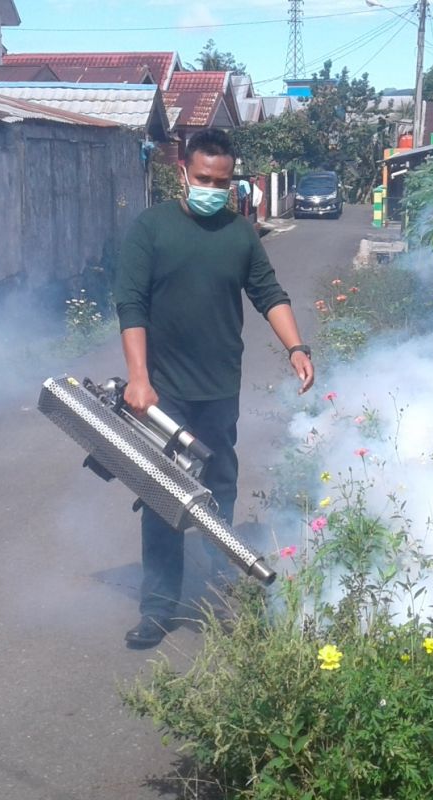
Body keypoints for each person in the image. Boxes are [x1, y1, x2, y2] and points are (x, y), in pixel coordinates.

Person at [114, 128, 314, 648]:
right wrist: (138, 378)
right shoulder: (151, 229)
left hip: (220, 388)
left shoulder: (240, 234)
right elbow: (131, 306)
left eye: (222, 182)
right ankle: (158, 608)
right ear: (182, 172)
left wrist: (297, 348)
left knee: (219, 490)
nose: (212, 188)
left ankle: (226, 587)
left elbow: (268, 293)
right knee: (162, 497)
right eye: (203, 178)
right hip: (163, 393)